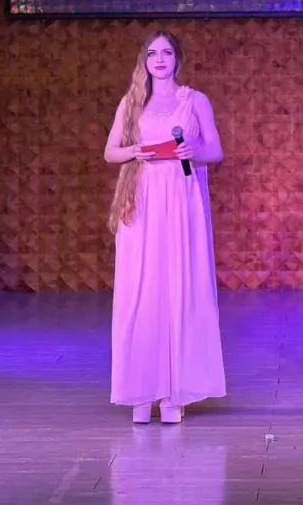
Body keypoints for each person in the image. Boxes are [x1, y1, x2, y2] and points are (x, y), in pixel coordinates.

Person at [103, 30, 227, 424]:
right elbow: (110, 153)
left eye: (167, 52)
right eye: (153, 52)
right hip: (142, 200)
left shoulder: (195, 101)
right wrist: (135, 151)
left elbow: (215, 151)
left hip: (181, 199)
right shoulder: (132, 102)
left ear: (177, 59)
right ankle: (141, 390)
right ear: (145, 59)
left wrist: (194, 150)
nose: (160, 59)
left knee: (179, 287)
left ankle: (176, 392)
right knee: (142, 290)